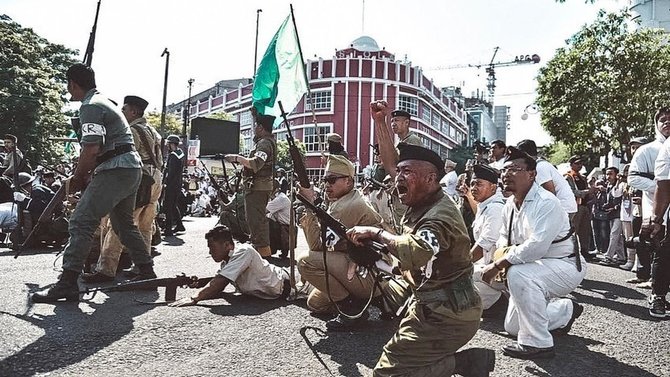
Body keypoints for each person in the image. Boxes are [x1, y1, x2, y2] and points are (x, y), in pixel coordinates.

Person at [347, 142, 494, 377]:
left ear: (430, 178)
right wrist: (380, 122)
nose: (398, 179)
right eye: (399, 172)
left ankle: (466, 363)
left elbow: (417, 251)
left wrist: (376, 233)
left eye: (407, 172)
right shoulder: (424, 201)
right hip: (431, 304)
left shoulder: (439, 217)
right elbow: (389, 164)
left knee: (387, 374)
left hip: (448, 316)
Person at [32, 63, 155, 303]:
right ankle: (146, 269)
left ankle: (67, 282)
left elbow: (91, 148)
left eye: (68, 86)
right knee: (123, 224)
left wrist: (78, 177)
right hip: (128, 169)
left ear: (72, 84)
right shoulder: (103, 102)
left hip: (116, 169)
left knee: (81, 221)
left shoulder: (89, 106)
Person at [480, 147, 586, 359]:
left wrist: (499, 265)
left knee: (519, 275)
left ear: (532, 174)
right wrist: (500, 256)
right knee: (513, 327)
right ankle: (565, 310)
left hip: (564, 266)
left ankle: (539, 344)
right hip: (535, 266)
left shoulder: (547, 202)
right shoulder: (510, 203)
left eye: (515, 169)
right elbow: (503, 237)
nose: (507, 174)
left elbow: (537, 247)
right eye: (505, 170)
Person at [297, 154, 385, 331]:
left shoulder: (347, 206)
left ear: (349, 181)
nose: (326, 185)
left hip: (368, 272)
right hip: (362, 267)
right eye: (325, 180)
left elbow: (317, 247)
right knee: (315, 303)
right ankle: (361, 301)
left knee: (305, 261)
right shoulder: (345, 200)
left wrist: (308, 205)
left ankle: (351, 309)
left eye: (332, 179)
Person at [83, 95, 164, 282]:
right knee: (145, 226)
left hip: (140, 177)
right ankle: (141, 266)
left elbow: (125, 154)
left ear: (134, 112)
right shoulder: (153, 130)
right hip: (156, 178)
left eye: (125, 109)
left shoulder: (132, 130)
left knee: (119, 223)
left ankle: (106, 269)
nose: (122, 112)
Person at [169, 225, 290, 307]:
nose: (210, 253)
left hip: (294, 284)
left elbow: (220, 282)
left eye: (213, 248)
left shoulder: (243, 251)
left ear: (227, 245)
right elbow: (219, 282)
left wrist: (194, 298)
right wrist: (197, 283)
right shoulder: (226, 261)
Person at [225, 112, 276, 258]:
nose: (254, 128)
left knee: (257, 221)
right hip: (259, 187)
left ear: (260, 127)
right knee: (255, 220)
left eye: (255, 125)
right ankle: (260, 250)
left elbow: (255, 163)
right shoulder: (265, 141)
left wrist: (236, 158)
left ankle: (264, 255)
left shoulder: (265, 143)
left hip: (258, 188)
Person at [640, 107, 670, 317]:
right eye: (663, 120)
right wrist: (656, 218)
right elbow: (664, 185)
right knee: (665, 251)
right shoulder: (656, 148)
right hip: (660, 209)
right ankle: (658, 295)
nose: (667, 123)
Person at [468, 164, 507, 316]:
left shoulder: (494, 208)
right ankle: (496, 300)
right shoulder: (485, 206)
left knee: (456, 277)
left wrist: (462, 264)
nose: (473, 188)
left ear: (493, 187)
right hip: (488, 266)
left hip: (498, 269)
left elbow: (485, 243)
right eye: (472, 184)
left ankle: (500, 300)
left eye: (479, 184)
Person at [564, 155, 596, 261]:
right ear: (571, 164)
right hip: (575, 206)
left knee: (585, 229)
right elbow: (571, 192)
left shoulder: (582, 177)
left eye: (581, 163)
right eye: (577, 163)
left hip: (585, 205)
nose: (579, 165)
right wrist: (587, 192)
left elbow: (587, 191)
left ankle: (584, 250)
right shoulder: (568, 177)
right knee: (574, 229)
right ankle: (571, 251)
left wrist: (593, 189)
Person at [162, 134, 185, 237]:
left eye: (168, 143)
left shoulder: (173, 156)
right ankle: (179, 225)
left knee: (168, 206)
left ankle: (168, 229)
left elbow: (170, 172)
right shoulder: (181, 154)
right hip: (178, 183)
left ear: (172, 144)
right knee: (173, 205)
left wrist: (166, 182)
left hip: (171, 184)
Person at [267, 180, 292, 258]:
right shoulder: (281, 197)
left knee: (265, 221)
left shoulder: (280, 199)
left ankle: (270, 248)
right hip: (282, 224)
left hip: (284, 226)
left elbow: (264, 210)